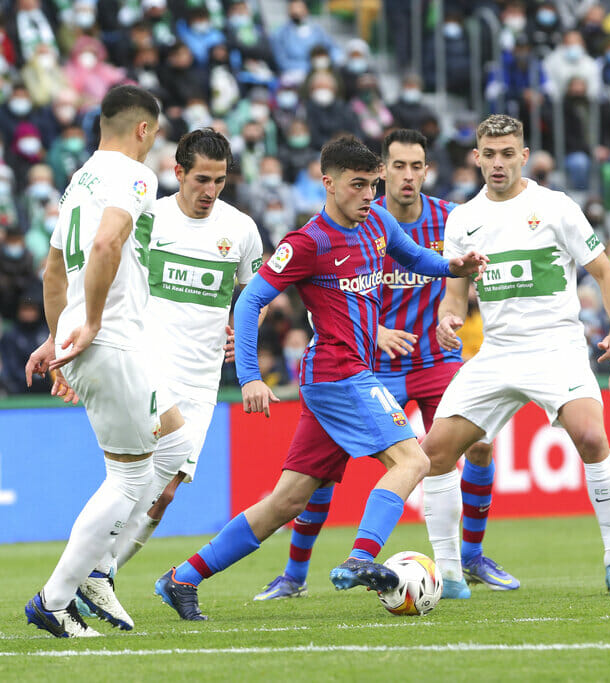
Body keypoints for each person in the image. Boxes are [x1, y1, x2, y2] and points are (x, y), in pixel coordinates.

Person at [154, 136, 488, 621]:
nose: (370, 195)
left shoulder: (377, 222)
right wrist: (250, 375)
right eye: (359, 186)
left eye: (374, 185)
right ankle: (360, 557)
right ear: (327, 183)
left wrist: (450, 266)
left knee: (287, 500)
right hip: (340, 374)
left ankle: (183, 577)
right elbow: (249, 302)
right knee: (414, 459)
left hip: (345, 377)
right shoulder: (307, 243)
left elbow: (414, 257)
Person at [254, 129, 518, 601]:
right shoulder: (345, 227)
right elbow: (328, 299)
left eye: (418, 166)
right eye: (398, 166)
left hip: (435, 358)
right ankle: (296, 572)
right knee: (326, 469)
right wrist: (373, 333)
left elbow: (452, 274)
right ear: (383, 169)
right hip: (372, 364)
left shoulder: (447, 219)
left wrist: (448, 313)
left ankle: (468, 559)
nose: (408, 176)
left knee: (477, 447)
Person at [420, 114, 610, 598]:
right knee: (432, 455)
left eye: (507, 153)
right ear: (476, 157)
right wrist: (447, 319)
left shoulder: (556, 207)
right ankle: (451, 574)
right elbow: (455, 294)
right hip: (497, 353)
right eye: (489, 154)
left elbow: (604, 271)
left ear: (523, 155)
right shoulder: (463, 220)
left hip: (555, 347)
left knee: (590, 436)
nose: (498, 163)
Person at [23, 84, 186, 638]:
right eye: (156, 134)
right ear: (143, 129)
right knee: (129, 476)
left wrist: (57, 338)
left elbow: (51, 271)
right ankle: (59, 595)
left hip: (98, 339)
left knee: (175, 438)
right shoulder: (133, 175)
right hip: (111, 338)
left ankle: (96, 567)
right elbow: (106, 246)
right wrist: (89, 323)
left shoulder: (80, 179)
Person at [89, 128, 263, 576]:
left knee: (164, 493)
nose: (210, 191)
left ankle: (100, 575)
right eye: (202, 179)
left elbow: (256, 296)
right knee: (131, 480)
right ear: (178, 172)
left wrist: (242, 329)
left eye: (219, 180)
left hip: (202, 381)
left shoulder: (241, 229)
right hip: (147, 369)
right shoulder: (150, 218)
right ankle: (92, 577)